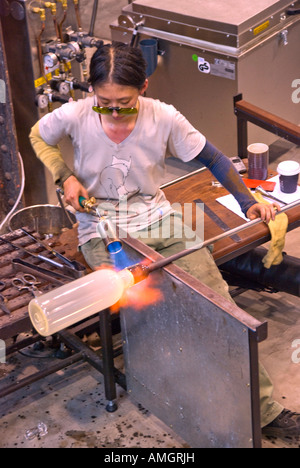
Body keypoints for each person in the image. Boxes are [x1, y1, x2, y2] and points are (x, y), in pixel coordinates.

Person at [29, 42, 300, 438]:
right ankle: (173, 389)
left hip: (158, 218)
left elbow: (215, 158)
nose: (115, 112)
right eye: (105, 102)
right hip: (100, 226)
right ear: (91, 92)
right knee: (149, 298)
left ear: (144, 86)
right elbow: (39, 136)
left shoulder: (163, 117)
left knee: (216, 304)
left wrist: (248, 201)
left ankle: (263, 410)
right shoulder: (76, 114)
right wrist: (64, 175)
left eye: (125, 102)